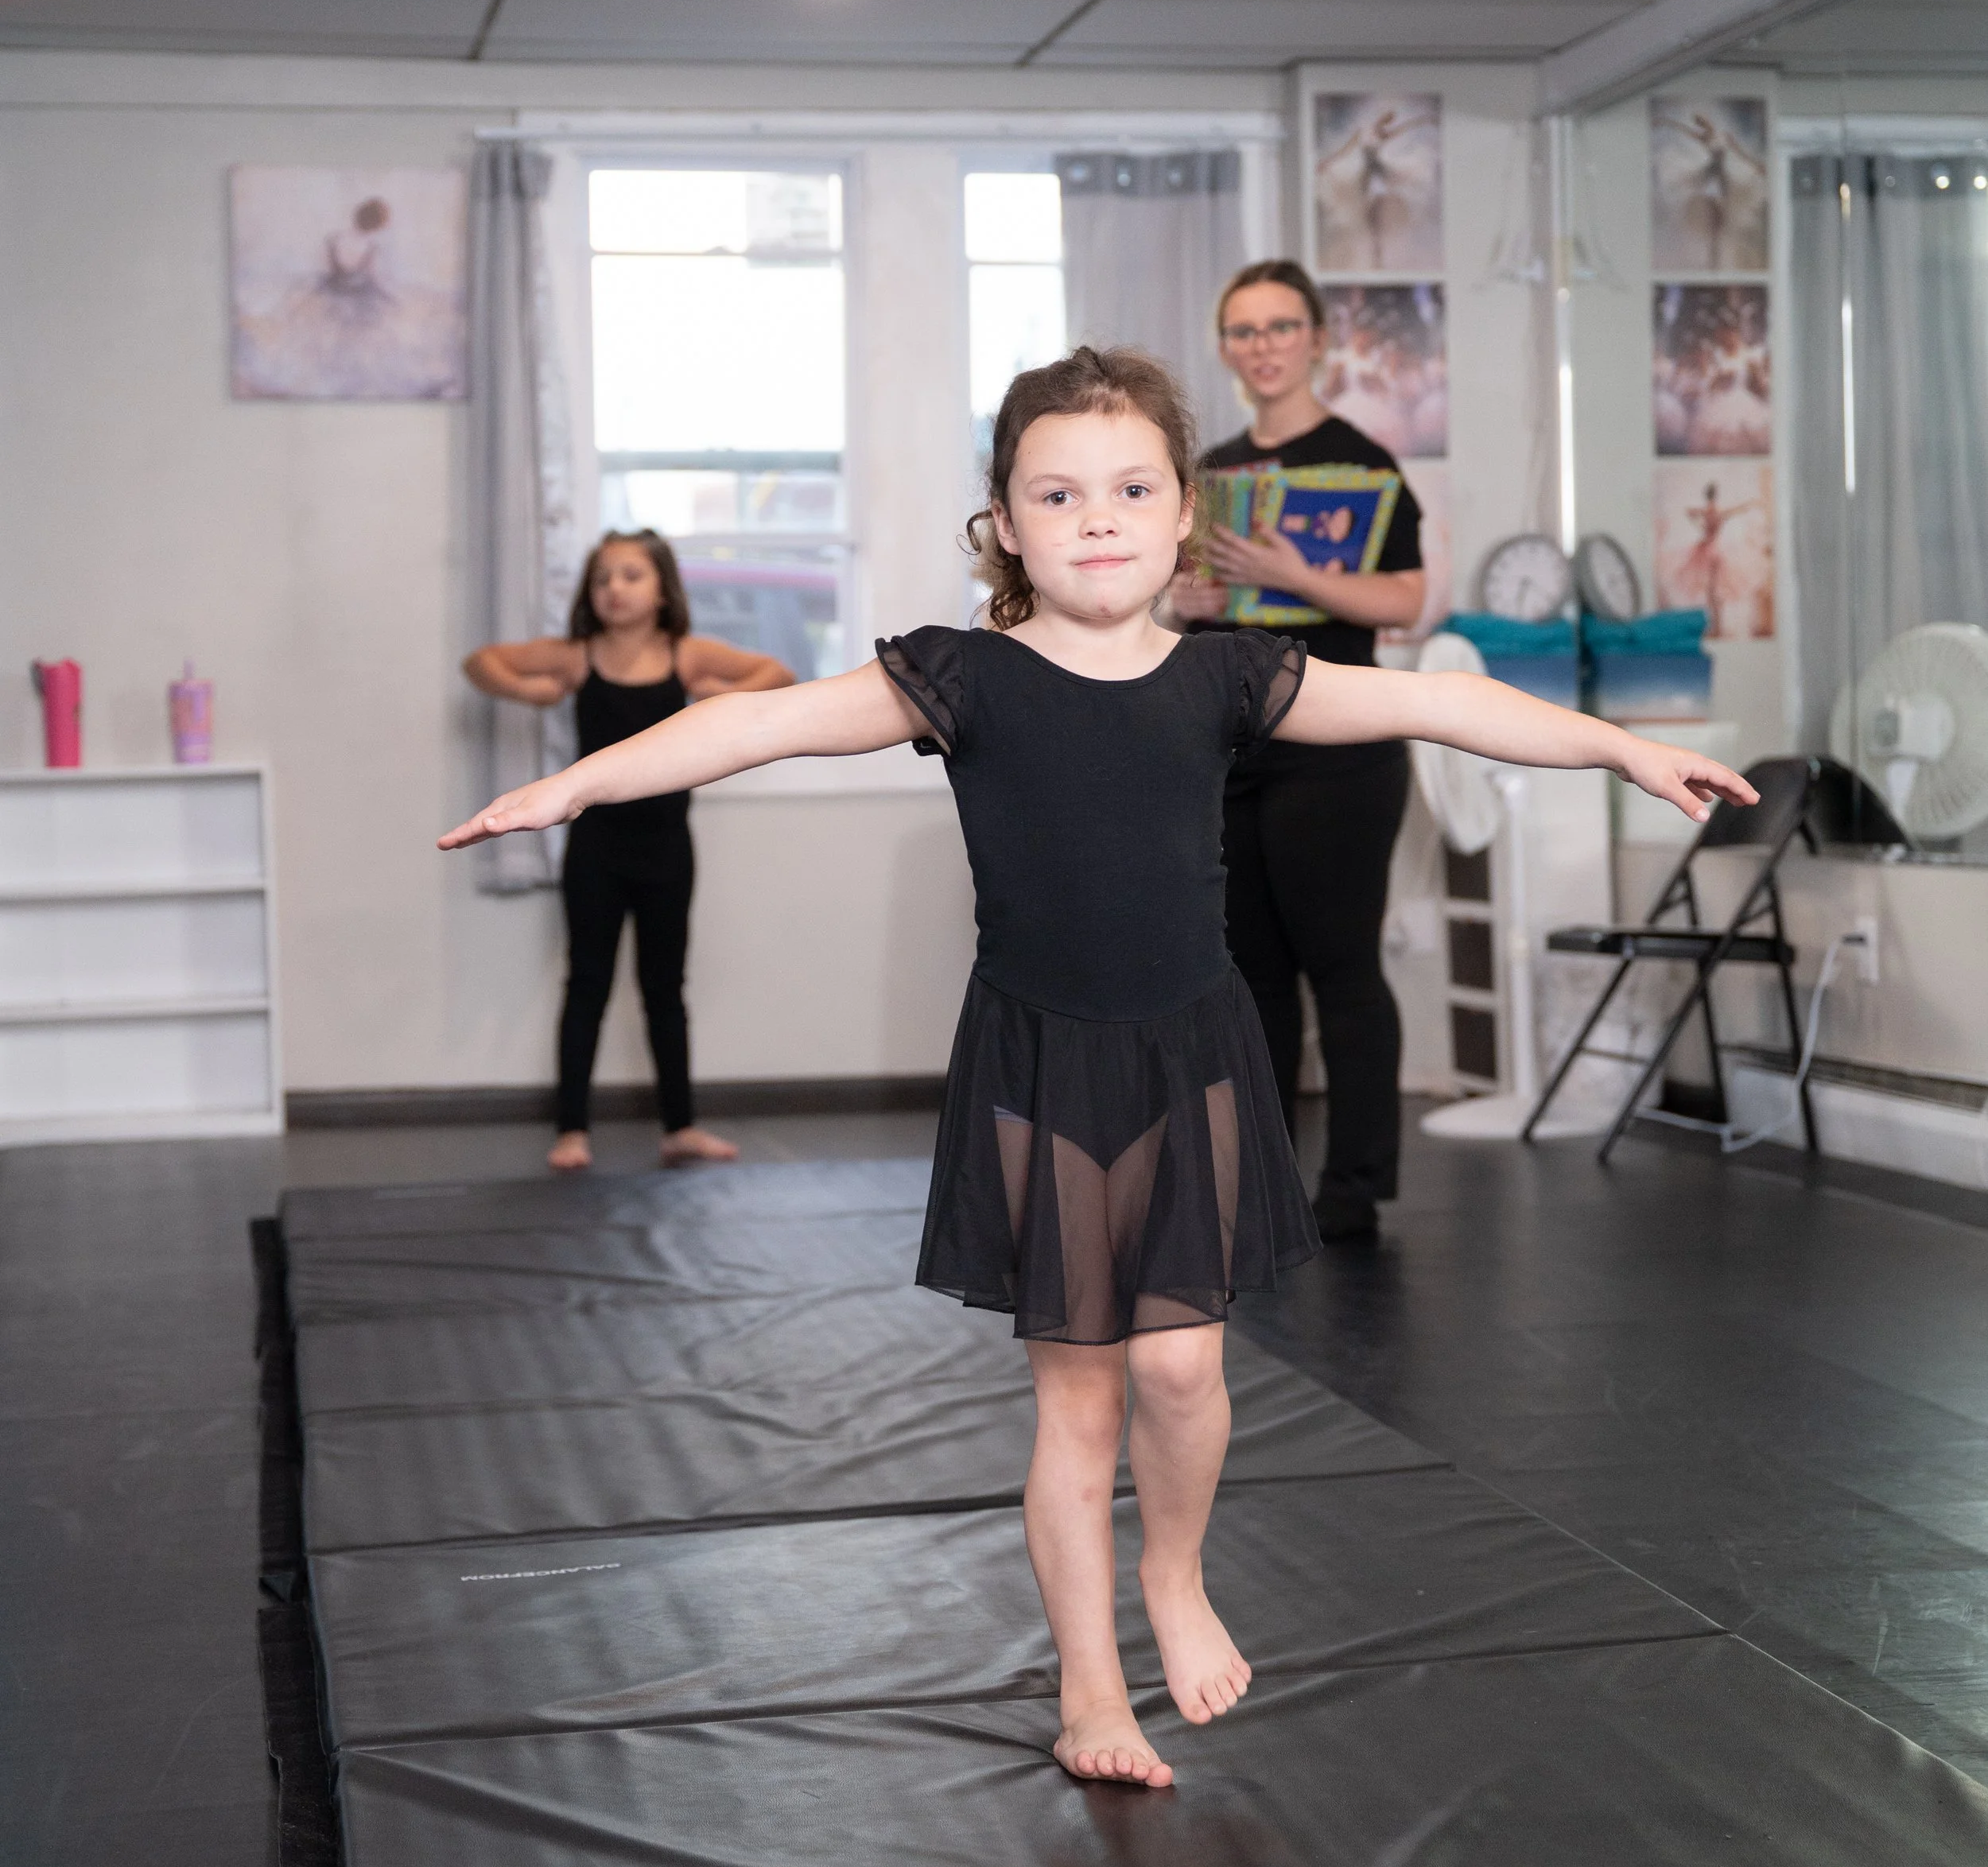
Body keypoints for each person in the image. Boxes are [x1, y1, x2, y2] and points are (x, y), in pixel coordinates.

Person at [441, 347, 1749, 1789]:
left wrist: (1620, 747)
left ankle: (1175, 1573)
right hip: (1039, 1061)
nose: (1099, 517)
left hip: (1189, 1050)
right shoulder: (964, 677)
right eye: (1058, 493)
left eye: (1130, 488)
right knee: (1080, 1400)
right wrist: (574, 783)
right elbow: (758, 722)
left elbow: (1441, 707)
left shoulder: (1230, 674)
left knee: (1185, 1371)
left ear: (1182, 511)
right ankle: (1087, 1688)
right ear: (1005, 522)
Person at [1175, 259, 1426, 1242]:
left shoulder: (1365, 465)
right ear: (1225, 348)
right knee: (1255, 979)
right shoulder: (1214, 475)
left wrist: (1294, 572)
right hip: (1237, 751)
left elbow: (1405, 603)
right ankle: (1265, 1186)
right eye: (1244, 330)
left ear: (1317, 338)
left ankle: (1355, 1190)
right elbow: (1184, 616)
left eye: (1281, 326)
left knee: (1343, 969)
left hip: (1343, 749)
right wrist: (1185, 604)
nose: (1263, 345)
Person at [464, 527, 791, 1174]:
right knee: (587, 982)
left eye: (631, 575)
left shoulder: (686, 656)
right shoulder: (576, 658)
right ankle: (572, 1130)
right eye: (603, 577)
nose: (614, 588)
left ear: (663, 590)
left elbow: (776, 673)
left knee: (664, 988)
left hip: (668, 848)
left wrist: (719, 699)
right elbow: (481, 662)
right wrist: (529, 691)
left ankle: (680, 1125)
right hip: (596, 849)